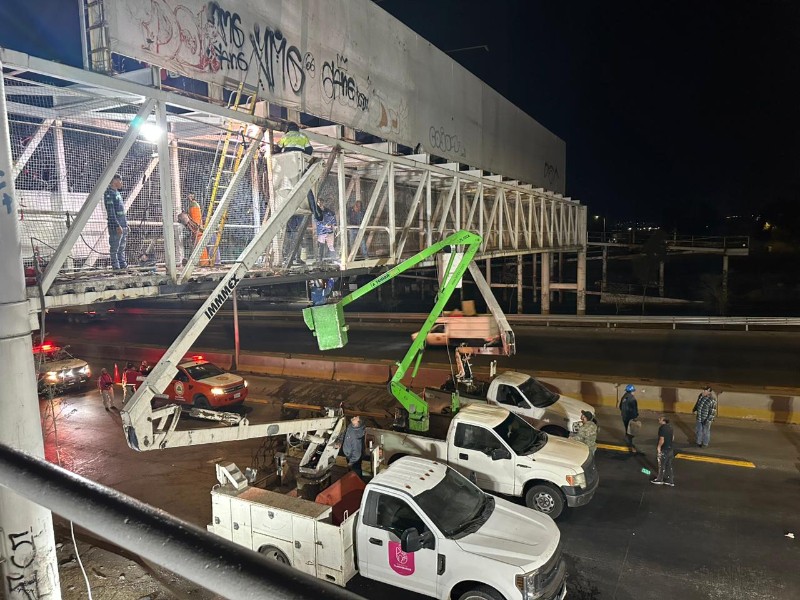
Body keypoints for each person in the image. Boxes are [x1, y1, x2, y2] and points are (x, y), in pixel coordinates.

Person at [104, 174, 128, 270]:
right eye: (120, 181)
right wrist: (117, 225)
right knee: (115, 246)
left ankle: (123, 264)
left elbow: (121, 211)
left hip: (123, 224)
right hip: (115, 226)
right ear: (115, 181)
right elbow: (111, 212)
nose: (121, 183)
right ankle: (116, 267)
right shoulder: (109, 193)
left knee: (122, 246)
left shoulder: (117, 193)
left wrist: (125, 224)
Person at [651, 415, 675, 486]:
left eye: (660, 419)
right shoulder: (670, 427)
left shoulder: (662, 428)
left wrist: (659, 447)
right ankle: (670, 480)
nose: (659, 419)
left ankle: (659, 479)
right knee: (669, 465)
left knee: (661, 465)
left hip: (664, 449)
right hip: (670, 449)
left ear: (664, 421)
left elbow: (662, 439)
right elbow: (673, 438)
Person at [342, 415, 366, 480]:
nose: (354, 417)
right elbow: (345, 434)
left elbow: (357, 453)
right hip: (349, 455)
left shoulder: (356, 436)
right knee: (352, 473)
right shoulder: (351, 426)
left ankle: (357, 483)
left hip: (354, 459)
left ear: (357, 423)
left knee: (356, 473)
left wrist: (351, 462)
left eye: (356, 418)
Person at [619, 384, 640, 451]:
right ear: (632, 391)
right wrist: (635, 416)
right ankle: (630, 445)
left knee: (626, 428)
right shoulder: (632, 399)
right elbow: (634, 409)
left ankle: (627, 437)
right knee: (630, 431)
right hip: (630, 417)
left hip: (624, 416)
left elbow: (620, 407)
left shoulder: (624, 397)